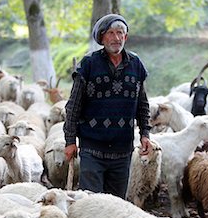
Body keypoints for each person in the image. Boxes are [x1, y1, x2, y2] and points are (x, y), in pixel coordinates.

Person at [63, 13, 153, 199]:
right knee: (91, 202)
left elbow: (142, 104)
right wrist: (70, 141)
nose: (116, 38)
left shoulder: (136, 65)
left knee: (116, 204)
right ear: (102, 37)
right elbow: (73, 106)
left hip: (123, 149)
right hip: (92, 148)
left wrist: (145, 133)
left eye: (120, 33)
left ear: (126, 37)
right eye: (111, 33)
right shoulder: (88, 64)